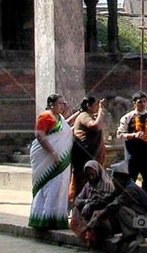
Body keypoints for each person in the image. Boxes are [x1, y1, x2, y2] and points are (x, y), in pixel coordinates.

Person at [29, 93, 73, 230]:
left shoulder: (60, 118)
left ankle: (56, 219)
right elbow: (39, 135)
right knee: (49, 187)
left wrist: (78, 113)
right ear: (51, 104)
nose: (63, 106)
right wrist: (53, 152)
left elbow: (65, 128)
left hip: (61, 160)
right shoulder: (45, 116)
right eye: (60, 103)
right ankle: (43, 219)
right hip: (47, 158)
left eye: (63, 103)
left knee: (60, 187)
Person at [69, 160, 116, 247]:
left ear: (97, 171)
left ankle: (95, 234)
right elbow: (77, 200)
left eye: (92, 174)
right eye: (88, 174)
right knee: (76, 210)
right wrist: (86, 202)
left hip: (103, 216)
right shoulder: (88, 185)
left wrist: (91, 204)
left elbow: (105, 202)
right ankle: (86, 235)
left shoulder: (107, 184)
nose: (91, 177)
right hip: (89, 213)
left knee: (96, 213)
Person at [69, 96, 107, 201]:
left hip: (90, 155)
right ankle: (77, 208)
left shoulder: (88, 115)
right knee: (81, 181)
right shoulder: (84, 116)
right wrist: (101, 111)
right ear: (89, 106)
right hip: (83, 154)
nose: (97, 107)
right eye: (95, 105)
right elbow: (95, 126)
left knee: (92, 181)